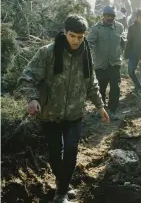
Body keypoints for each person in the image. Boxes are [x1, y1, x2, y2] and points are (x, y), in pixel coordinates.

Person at [17, 15, 110, 203]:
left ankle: (62, 192)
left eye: (80, 37)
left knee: (71, 150)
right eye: (72, 36)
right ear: (65, 32)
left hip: (74, 115)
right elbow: (27, 78)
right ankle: (63, 182)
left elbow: (91, 83)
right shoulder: (47, 53)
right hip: (50, 114)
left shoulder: (86, 54)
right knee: (55, 153)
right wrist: (32, 99)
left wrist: (100, 106)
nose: (76, 41)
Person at [87, 6, 125, 119]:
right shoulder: (96, 29)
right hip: (101, 64)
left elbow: (122, 42)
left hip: (115, 63)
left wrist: (119, 54)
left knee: (115, 88)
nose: (110, 18)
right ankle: (101, 110)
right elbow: (89, 43)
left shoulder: (119, 27)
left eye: (112, 16)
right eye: (107, 16)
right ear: (103, 16)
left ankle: (112, 110)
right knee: (100, 88)